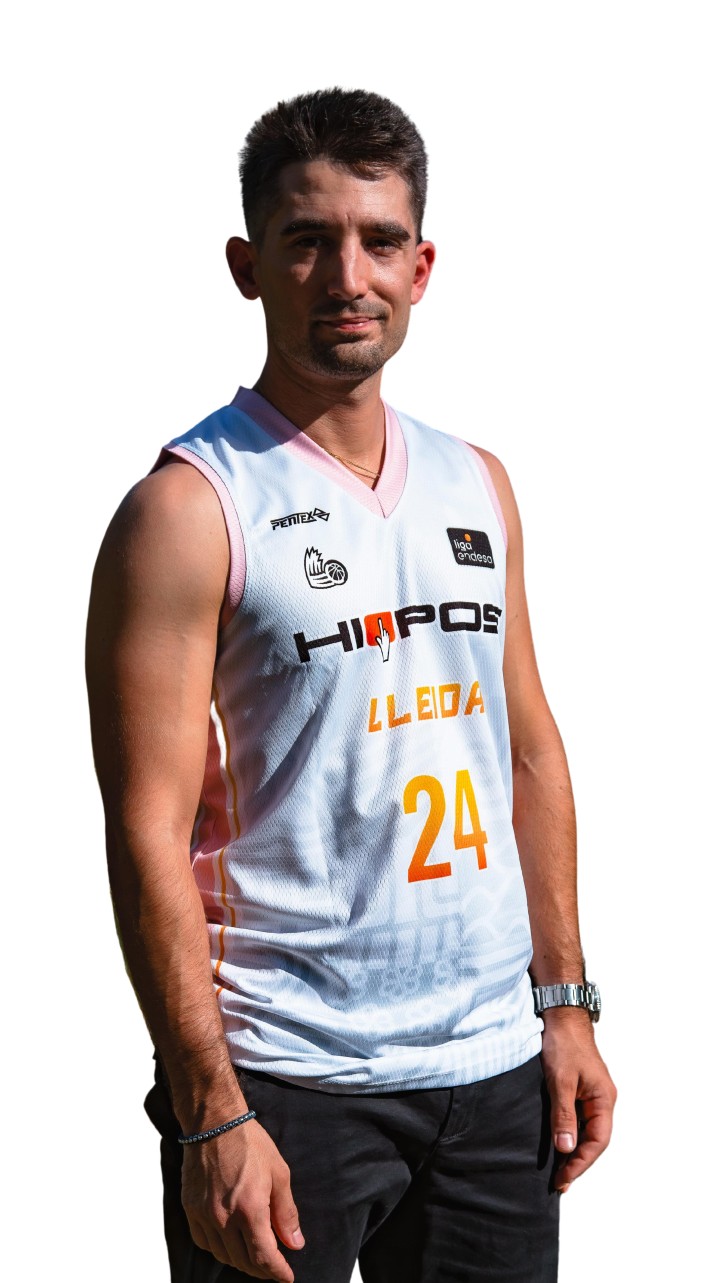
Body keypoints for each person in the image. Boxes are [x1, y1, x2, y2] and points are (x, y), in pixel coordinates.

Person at [86, 88, 615, 1283]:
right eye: (308, 240)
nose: (347, 276)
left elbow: (527, 750)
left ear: (422, 268)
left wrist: (566, 1003)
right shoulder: (188, 509)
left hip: (492, 1072)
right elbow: (145, 827)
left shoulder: (478, 480)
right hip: (286, 1078)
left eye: (380, 241)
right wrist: (210, 1108)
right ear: (247, 266)